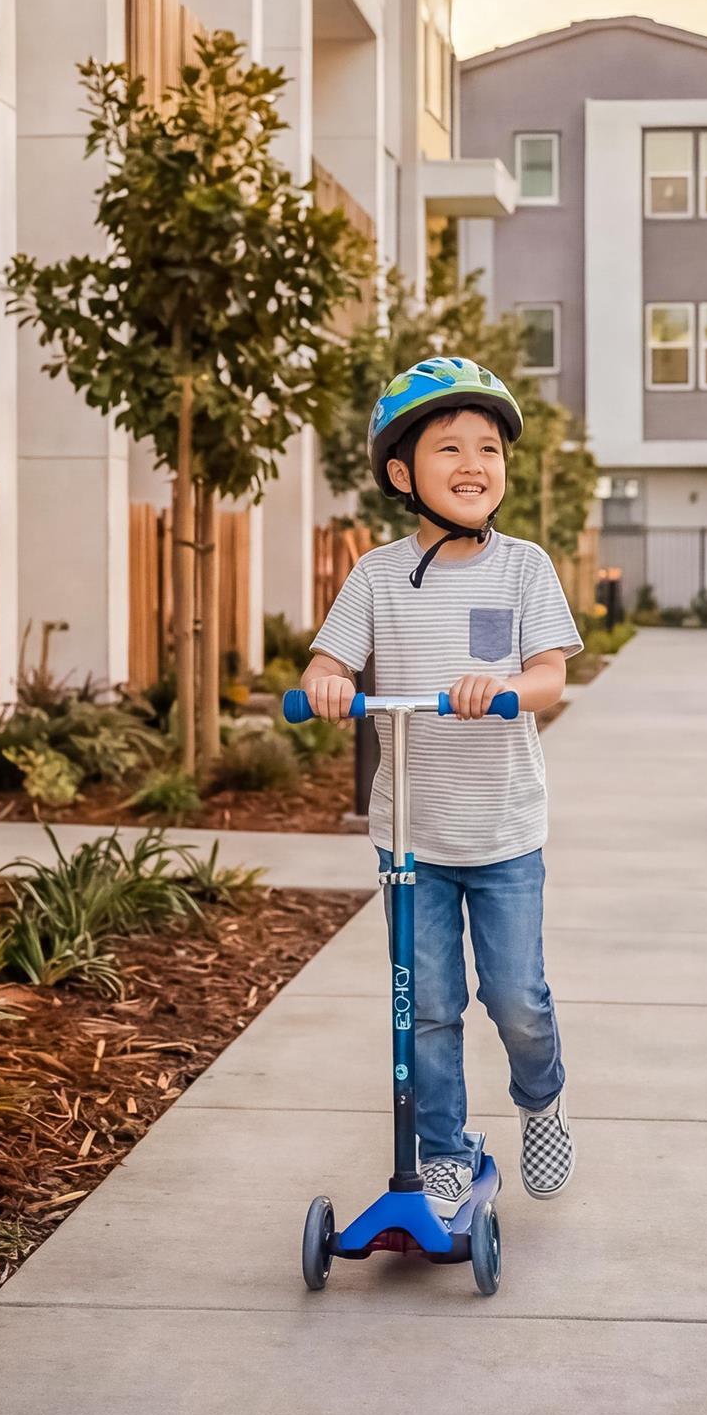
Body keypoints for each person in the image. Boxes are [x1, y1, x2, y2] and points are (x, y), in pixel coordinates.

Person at [302, 356, 587, 1211]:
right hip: (409, 836)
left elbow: (549, 679)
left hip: (503, 833)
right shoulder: (376, 576)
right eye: (450, 447)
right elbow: (331, 658)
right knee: (424, 1009)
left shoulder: (524, 568)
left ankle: (542, 1103)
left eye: (489, 448)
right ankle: (443, 1148)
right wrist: (324, 679)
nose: (474, 464)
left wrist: (500, 691)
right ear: (402, 473)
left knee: (515, 999)